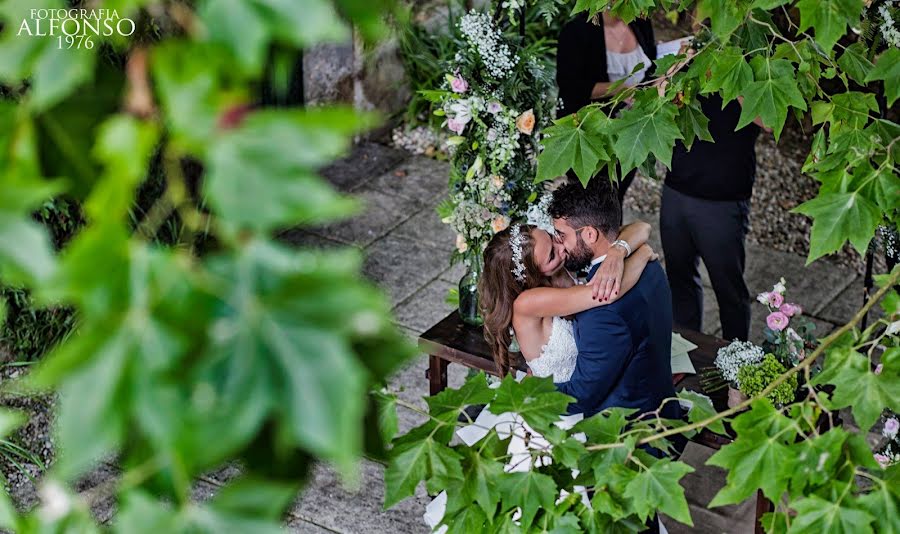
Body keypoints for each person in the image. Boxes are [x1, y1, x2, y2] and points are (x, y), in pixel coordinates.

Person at [548, 181, 681, 426]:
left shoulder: (601, 310)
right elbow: (639, 230)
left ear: (589, 233)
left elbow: (581, 397)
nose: (559, 245)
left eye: (562, 235)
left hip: (628, 435)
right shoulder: (645, 259)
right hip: (659, 405)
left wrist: (531, 391)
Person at [480, 219, 656, 381]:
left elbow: (642, 227)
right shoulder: (527, 303)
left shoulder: (561, 268)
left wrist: (617, 252)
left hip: (599, 380)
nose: (561, 247)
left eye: (551, 237)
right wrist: (643, 254)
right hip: (562, 401)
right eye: (551, 255)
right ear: (530, 276)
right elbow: (605, 292)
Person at [661, 93, 762, 341]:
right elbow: (663, 97)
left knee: (729, 289)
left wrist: (731, 81)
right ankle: (685, 350)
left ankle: (735, 362)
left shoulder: (757, 63)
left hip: (723, 199)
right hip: (677, 187)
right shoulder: (691, 56)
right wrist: (684, 58)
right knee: (679, 277)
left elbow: (769, 122)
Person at [556, 11, 657, 203]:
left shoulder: (641, 22)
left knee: (617, 197)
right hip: (591, 134)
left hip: (632, 132)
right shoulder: (577, 30)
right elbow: (570, 85)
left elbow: (652, 67)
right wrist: (619, 89)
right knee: (590, 203)